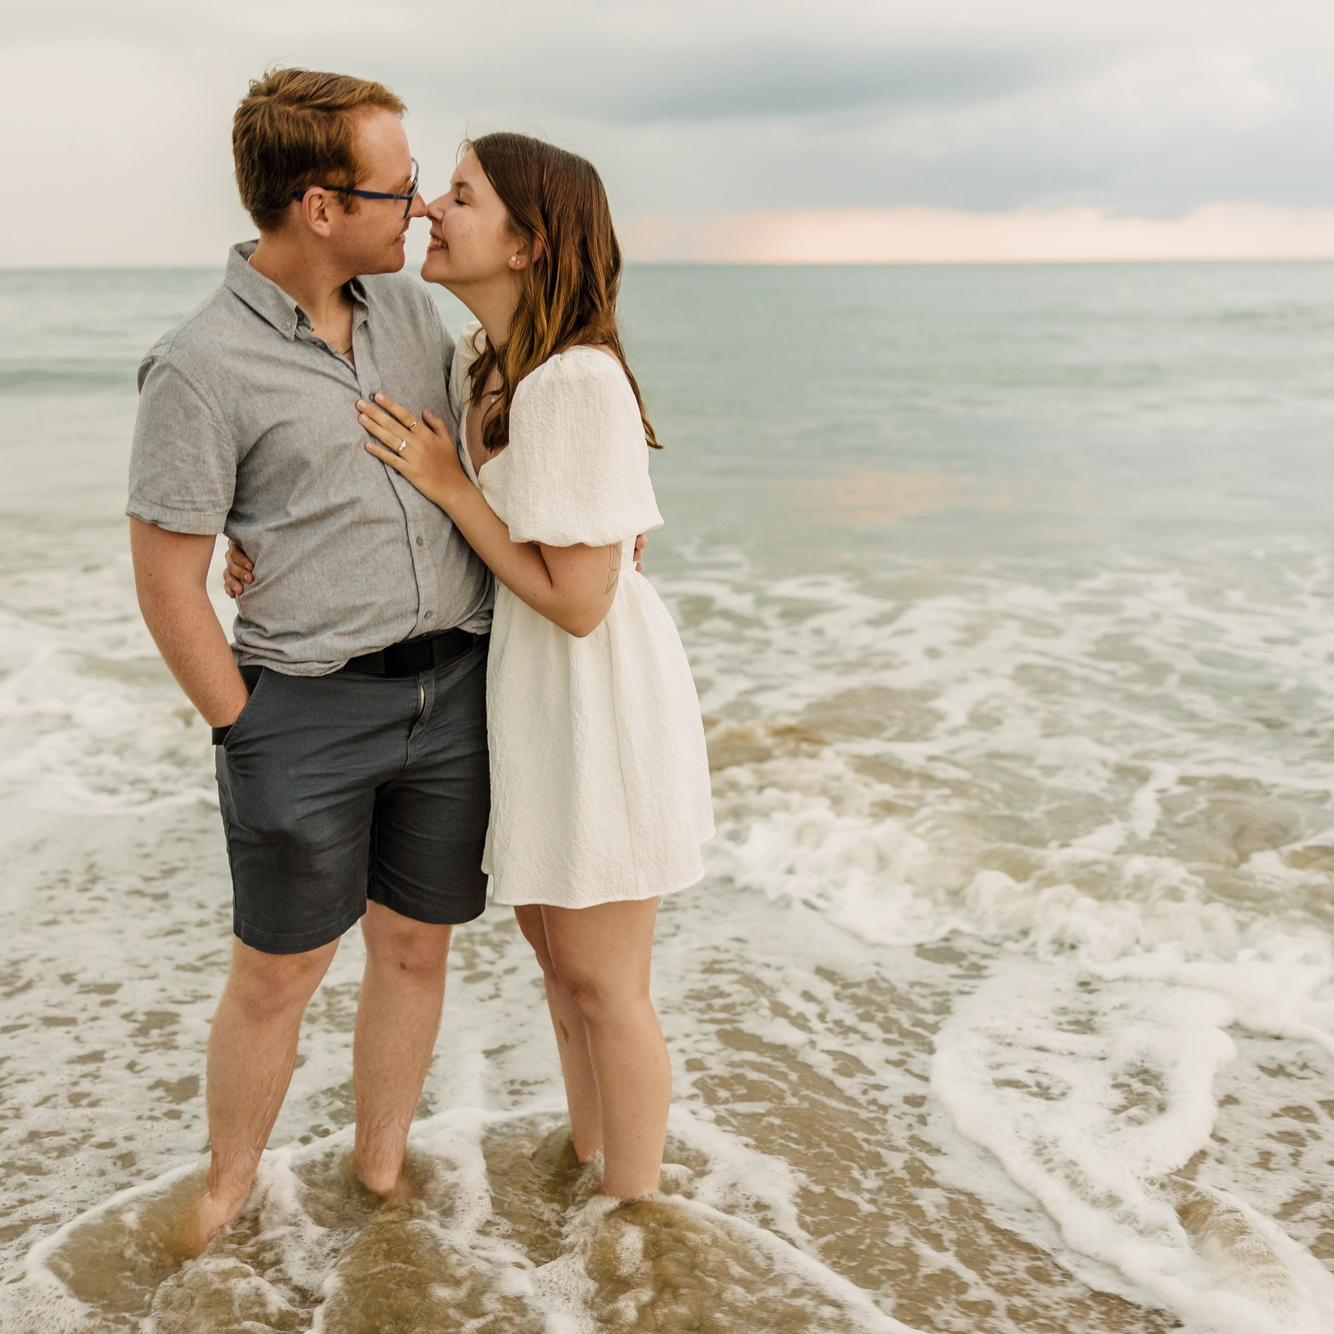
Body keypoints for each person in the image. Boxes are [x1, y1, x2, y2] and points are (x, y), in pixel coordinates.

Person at [228, 132, 716, 1201]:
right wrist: (263, 539)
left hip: (593, 695)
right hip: (525, 691)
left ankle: (637, 1215)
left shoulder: (572, 383)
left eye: (459, 197)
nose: (427, 213)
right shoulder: (482, 365)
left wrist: (455, 486)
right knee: (559, 964)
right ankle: (583, 1163)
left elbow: (581, 601)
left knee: (604, 978)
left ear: (530, 244)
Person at [126, 68, 495, 1255]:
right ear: (319, 205)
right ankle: (228, 1189)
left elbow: (473, 455)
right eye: (399, 188)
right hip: (302, 712)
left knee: (413, 945)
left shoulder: (407, 311)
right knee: (278, 974)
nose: (423, 208)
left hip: (456, 691)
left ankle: (378, 1171)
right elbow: (166, 578)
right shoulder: (197, 367)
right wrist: (245, 724)